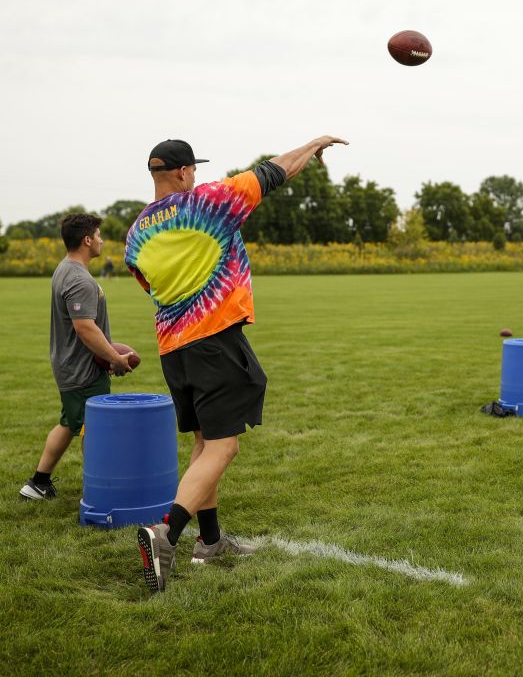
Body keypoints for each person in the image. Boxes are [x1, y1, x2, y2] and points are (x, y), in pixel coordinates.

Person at [127, 136, 348, 592]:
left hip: (174, 348)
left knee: (205, 442)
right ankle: (165, 534)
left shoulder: (135, 233)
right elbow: (275, 170)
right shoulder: (210, 200)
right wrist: (316, 143)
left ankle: (209, 542)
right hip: (214, 341)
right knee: (224, 448)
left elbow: (149, 285)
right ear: (185, 172)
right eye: (195, 171)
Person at [20, 214, 134, 500]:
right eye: (98, 235)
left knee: (70, 423)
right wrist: (115, 359)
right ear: (86, 240)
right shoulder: (78, 278)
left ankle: (38, 482)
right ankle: (100, 491)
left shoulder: (64, 269)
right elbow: (85, 328)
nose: (101, 240)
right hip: (82, 370)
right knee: (93, 429)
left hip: (71, 365)